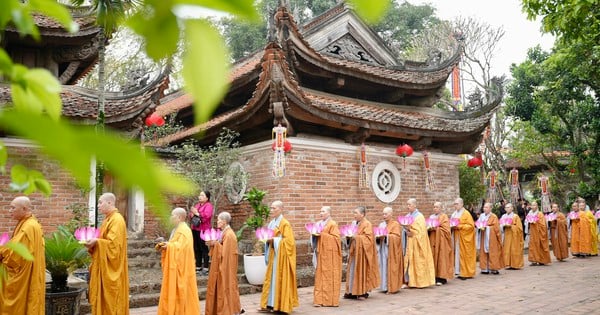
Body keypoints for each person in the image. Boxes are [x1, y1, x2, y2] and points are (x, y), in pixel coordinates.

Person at [0, 196, 45, 315]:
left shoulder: (28, 227)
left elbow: (15, 256)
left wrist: (2, 252)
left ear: (24, 208)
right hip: (28, 272)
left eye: (12, 208)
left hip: (23, 276)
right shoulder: (29, 223)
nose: (9, 211)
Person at [86, 192, 129, 315]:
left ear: (110, 203)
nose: (98, 206)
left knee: (112, 300)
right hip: (103, 265)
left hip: (112, 268)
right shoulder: (108, 219)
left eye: (100, 202)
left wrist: (97, 242)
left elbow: (114, 248)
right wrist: (93, 243)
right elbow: (103, 239)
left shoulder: (117, 220)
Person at [157, 208, 200, 315]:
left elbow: (182, 249)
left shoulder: (185, 231)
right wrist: (166, 245)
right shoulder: (176, 229)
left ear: (180, 218)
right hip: (176, 266)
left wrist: (169, 246)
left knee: (182, 293)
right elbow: (175, 244)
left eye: (173, 216)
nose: (171, 218)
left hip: (182, 269)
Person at [259, 201, 298, 313]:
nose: (271, 210)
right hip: (273, 255)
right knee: (270, 280)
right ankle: (269, 304)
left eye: (274, 208)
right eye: (270, 208)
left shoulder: (285, 223)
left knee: (279, 279)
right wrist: (266, 239)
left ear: (280, 209)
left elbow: (289, 243)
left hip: (281, 257)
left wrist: (274, 240)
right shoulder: (272, 223)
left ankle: (281, 305)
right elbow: (268, 236)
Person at [205, 212, 243, 315]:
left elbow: (225, 253)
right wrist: (214, 244)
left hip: (226, 267)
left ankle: (228, 310)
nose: (217, 222)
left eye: (219, 220)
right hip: (221, 265)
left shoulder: (229, 235)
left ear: (224, 221)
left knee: (226, 287)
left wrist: (215, 244)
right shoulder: (224, 232)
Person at [344, 206, 380, 299]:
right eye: (354, 213)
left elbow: (368, 239)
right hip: (353, 252)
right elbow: (350, 235)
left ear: (362, 214)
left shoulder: (367, 224)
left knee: (361, 271)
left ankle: (362, 292)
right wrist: (348, 237)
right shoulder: (354, 223)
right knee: (352, 271)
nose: (354, 215)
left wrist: (356, 237)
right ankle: (351, 291)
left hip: (362, 254)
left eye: (356, 213)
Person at [312, 206, 342, 307]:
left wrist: (322, 235)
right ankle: (319, 300)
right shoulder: (318, 224)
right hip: (321, 253)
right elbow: (314, 238)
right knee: (320, 276)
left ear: (329, 213)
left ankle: (330, 300)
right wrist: (314, 235)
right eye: (320, 211)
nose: (321, 213)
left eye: (323, 211)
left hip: (330, 255)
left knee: (330, 276)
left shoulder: (332, 224)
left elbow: (336, 239)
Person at [402, 199, 435, 288]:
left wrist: (412, 231)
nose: (407, 206)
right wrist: (406, 230)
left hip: (417, 244)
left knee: (418, 262)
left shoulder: (419, 217)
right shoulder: (407, 216)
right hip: (409, 243)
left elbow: (422, 232)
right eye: (407, 204)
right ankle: (409, 281)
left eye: (409, 205)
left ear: (414, 205)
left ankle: (419, 282)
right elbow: (404, 229)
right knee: (409, 262)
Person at [376, 207, 403, 294]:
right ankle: (384, 286)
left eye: (386, 214)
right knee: (383, 266)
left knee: (390, 267)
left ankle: (392, 287)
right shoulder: (381, 225)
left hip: (391, 250)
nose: (384, 216)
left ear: (391, 214)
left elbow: (397, 238)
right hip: (382, 248)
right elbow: (377, 235)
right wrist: (378, 237)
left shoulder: (395, 224)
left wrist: (387, 236)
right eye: (383, 214)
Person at [427, 202, 453, 285]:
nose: (435, 208)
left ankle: (441, 278)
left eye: (437, 207)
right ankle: (433, 276)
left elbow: (446, 230)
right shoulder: (431, 217)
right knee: (433, 257)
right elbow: (426, 228)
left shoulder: (444, 217)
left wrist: (437, 229)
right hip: (433, 240)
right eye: (434, 207)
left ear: (441, 208)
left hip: (442, 242)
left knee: (441, 258)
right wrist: (429, 229)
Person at [450, 198, 476, 280]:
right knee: (457, 255)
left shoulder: (466, 214)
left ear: (462, 204)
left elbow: (471, 226)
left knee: (465, 255)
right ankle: (459, 271)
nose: (455, 205)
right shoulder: (454, 214)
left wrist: (460, 226)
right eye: (454, 204)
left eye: (457, 204)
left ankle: (466, 273)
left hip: (464, 238)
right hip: (456, 237)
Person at [191, 190, 213, 275]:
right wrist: (195, 213)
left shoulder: (209, 206)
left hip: (204, 230)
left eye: (202, 195)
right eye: (199, 195)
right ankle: (198, 266)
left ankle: (206, 267)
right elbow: (191, 215)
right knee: (196, 248)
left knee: (204, 248)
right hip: (195, 228)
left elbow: (207, 216)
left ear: (207, 198)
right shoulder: (197, 205)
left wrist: (197, 213)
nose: (200, 197)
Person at [476, 202, 503, 274]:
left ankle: (494, 268)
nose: (484, 209)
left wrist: (487, 228)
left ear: (490, 208)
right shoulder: (481, 216)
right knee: (483, 252)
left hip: (491, 238)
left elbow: (496, 228)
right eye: (484, 207)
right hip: (483, 236)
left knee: (492, 252)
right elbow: (478, 223)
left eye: (486, 207)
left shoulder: (493, 216)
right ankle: (485, 268)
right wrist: (479, 227)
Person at [525, 201, 551, 265]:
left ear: (537, 206)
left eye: (534, 205)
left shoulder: (540, 214)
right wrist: (528, 222)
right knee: (532, 246)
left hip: (539, 233)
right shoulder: (529, 214)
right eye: (532, 205)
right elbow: (526, 222)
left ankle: (542, 260)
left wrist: (535, 222)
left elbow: (543, 225)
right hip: (532, 233)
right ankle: (534, 260)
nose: (533, 207)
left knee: (540, 246)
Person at [500, 203, 524, 269]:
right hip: (506, 235)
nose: (507, 209)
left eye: (509, 207)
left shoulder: (515, 216)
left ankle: (515, 264)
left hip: (514, 236)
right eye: (506, 208)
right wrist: (503, 226)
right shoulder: (503, 216)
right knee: (507, 250)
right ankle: (508, 264)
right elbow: (500, 225)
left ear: (512, 208)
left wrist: (511, 226)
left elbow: (519, 228)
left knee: (514, 249)